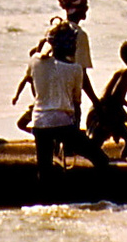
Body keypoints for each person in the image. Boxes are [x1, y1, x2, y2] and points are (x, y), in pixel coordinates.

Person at [13, 22, 112, 186]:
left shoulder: (35, 62)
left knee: (44, 169)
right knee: (100, 159)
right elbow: (76, 105)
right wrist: (76, 132)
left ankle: (46, 201)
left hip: (39, 123)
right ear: (70, 46)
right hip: (63, 124)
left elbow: (40, 55)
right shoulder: (75, 69)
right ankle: (103, 192)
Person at [89, 40, 127, 160]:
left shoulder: (125, 72)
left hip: (107, 109)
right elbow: (114, 100)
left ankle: (119, 162)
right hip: (104, 112)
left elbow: (119, 98)